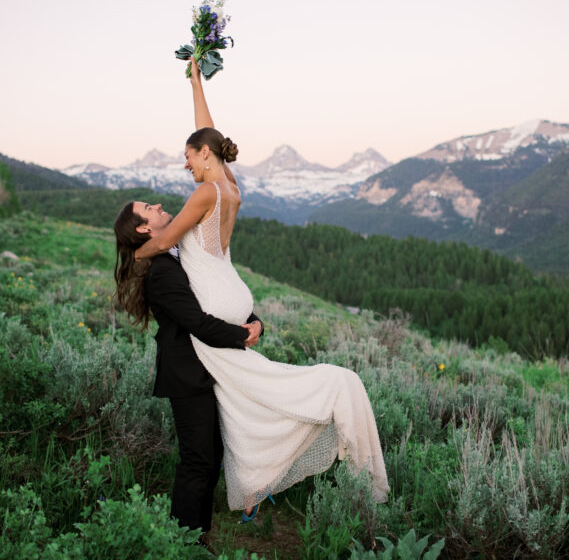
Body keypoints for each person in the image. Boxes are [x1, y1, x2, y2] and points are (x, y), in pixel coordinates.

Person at [113, 58, 389, 519]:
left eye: (189, 155)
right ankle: (215, 511)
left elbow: (161, 238)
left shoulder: (205, 194)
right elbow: (209, 137)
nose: (185, 164)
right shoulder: (229, 185)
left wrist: (132, 253)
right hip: (218, 328)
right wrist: (196, 82)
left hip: (221, 328)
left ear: (205, 156)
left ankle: (249, 482)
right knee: (243, 420)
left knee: (252, 415)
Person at [113, 203, 263, 538]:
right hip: (188, 374)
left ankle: (198, 533)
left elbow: (220, 295)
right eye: (150, 208)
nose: (160, 206)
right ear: (143, 229)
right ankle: (185, 543)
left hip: (212, 366)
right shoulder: (161, 271)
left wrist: (255, 322)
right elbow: (196, 322)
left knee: (213, 455)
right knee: (198, 461)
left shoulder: (181, 252)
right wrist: (243, 335)